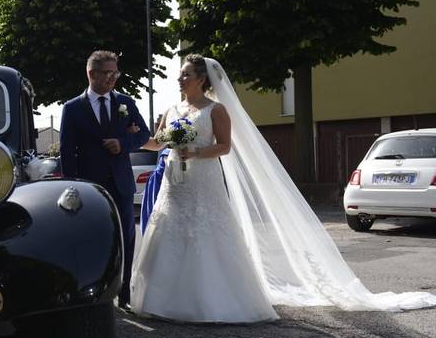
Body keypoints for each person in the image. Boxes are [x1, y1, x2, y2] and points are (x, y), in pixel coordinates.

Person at [131, 55, 436, 323]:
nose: (179, 78)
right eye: (180, 74)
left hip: (202, 179)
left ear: (200, 78)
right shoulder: (171, 110)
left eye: (185, 74)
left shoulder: (216, 110)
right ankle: (163, 301)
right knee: (169, 231)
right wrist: (131, 139)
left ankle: (213, 301)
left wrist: (196, 153)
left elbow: (224, 147)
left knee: (206, 233)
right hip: (175, 182)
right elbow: (158, 142)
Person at [59, 50, 150, 309]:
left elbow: (143, 134)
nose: (112, 78)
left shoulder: (125, 102)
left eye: (115, 73)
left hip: (120, 183)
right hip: (90, 185)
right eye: (107, 73)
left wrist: (122, 143)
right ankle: (94, 292)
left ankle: (124, 293)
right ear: (92, 74)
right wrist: (73, 186)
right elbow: (67, 151)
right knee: (92, 237)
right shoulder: (73, 108)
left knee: (126, 237)